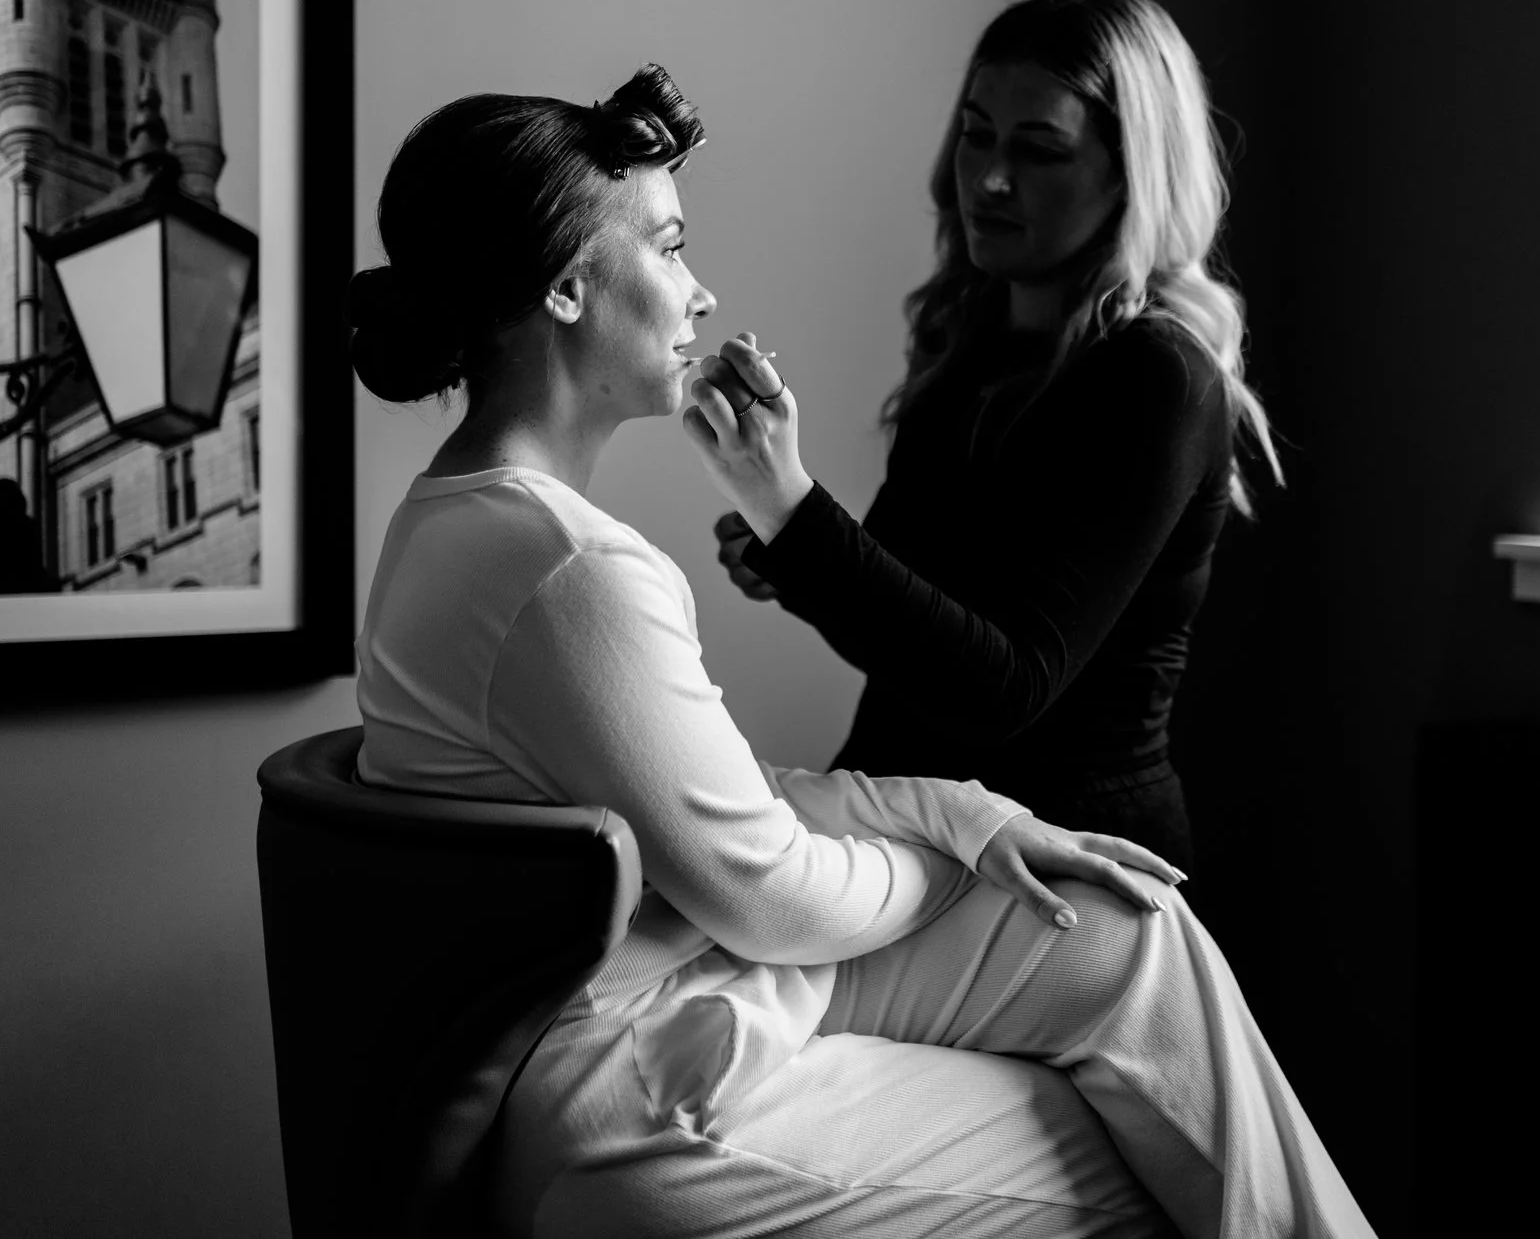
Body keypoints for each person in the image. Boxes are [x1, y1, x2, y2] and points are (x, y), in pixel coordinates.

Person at [347, 70, 1368, 1237]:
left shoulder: (457, 523)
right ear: (569, 287)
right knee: (1140, 1157)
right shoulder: (567, 567)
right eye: (670, 248)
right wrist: (948, 862)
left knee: (1126, 932)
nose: (700, 289)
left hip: (664, 990)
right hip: (648, 1087)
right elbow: (771, 897)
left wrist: (962, 814)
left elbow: (719, 801)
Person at [702, 0, 1280, 871]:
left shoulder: (1156, 375)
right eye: (977, 136)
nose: (990, 179)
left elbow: (999, 689)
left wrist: (794, 511)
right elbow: (919, 639)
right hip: (918, 828)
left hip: (1070, 860)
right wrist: (791, 555)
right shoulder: (970, 343)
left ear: (1134, 174)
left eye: (1039, 150)